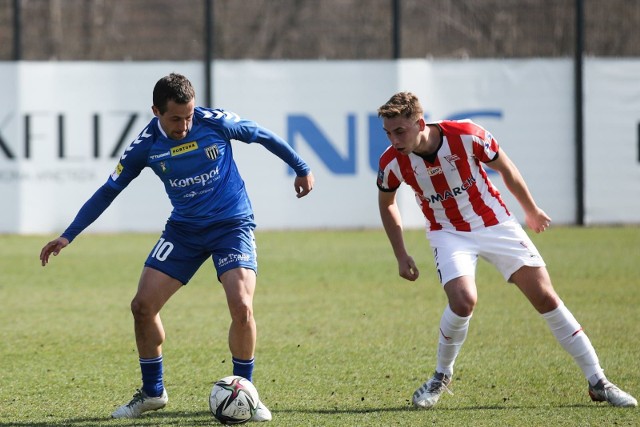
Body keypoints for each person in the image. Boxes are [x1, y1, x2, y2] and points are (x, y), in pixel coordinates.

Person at [39, 73, 314, 420]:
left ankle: (245, 393)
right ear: (155, 111)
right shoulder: (145, 146)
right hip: (184, 230)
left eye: (188, 116)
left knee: (242, 305)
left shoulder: (214, 123)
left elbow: (260, 134)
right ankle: (153, 393)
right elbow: (109, 190)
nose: (184, 125)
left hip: (232, 225)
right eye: (175, 119)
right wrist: (69, 234)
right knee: (142, 306)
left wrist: (301, 168)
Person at [375, 91, 637, 409]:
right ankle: (441, 376)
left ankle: (599, 382)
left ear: (419, 122)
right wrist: (400, 254)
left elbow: (506, 168)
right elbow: (387, 203)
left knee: (545, 297)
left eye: (399, 131)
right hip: (449, 233)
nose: (394, 139)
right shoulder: (392, 162)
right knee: (463, 300)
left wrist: (531, 210)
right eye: (388, 133)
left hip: (495, 224)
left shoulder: (467, 135)